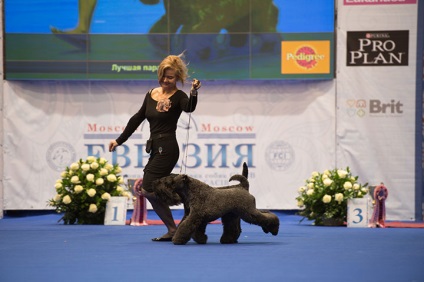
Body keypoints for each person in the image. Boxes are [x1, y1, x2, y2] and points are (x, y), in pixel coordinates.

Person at [109, 54, 201, 241]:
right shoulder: (151, 93)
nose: (165, 80)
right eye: (163, 76)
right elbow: (137, 118)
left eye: (170, 77)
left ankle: (180, 216)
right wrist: (119, 140)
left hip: (167, 147)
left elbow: (189, 108)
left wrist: (194, 92)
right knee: (152, 189)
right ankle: (181, 211)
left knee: (149, 188)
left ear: (178, 78)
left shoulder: (179, 96)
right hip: (154, 146)